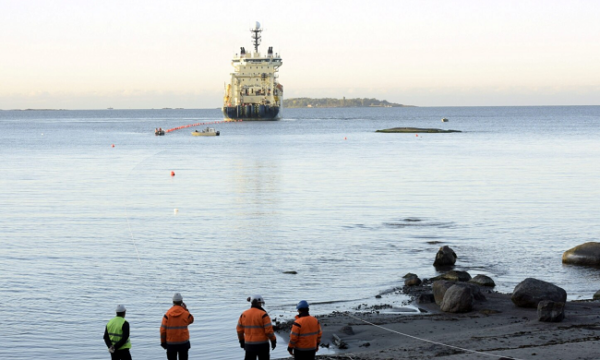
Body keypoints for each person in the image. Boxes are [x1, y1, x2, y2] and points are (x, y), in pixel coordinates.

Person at [237, 295, 277, 360]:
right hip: (262, 345)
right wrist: (273, 340)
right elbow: (269, 331)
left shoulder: (244, 314)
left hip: (249, 345)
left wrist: (241, 341)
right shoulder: (263, 314)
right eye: (261, 303)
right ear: (259, 303)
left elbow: (239, 330)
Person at [160, 293, 194, 360]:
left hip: (171, 344)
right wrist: (186, 309)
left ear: (173, 302)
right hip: (183, 343)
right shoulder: (185, 313)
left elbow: (162, 330)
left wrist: (163, 342)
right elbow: (191, 320)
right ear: (181, 301)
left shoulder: (167, 314)